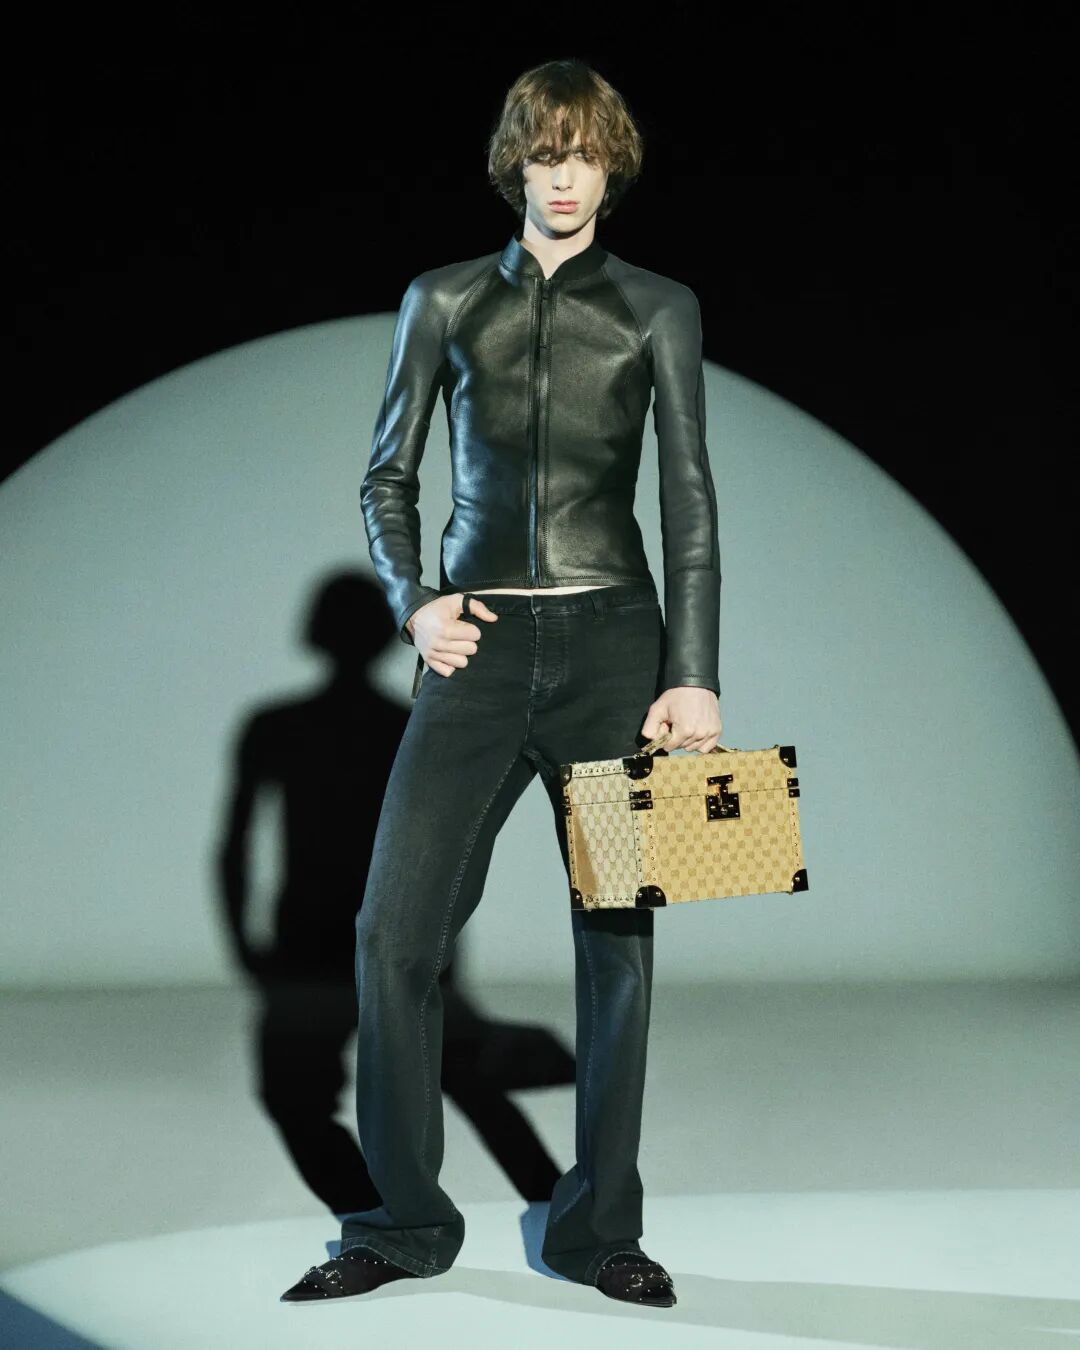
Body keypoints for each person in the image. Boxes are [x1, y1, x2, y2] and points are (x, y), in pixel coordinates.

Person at [281, 56, 722, 1310]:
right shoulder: (442, 299)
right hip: (474, 652)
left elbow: (688, 499)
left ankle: (601, 1231)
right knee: (392, 935)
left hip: (616, 650)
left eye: (584, 155)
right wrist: (412, 601)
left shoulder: (660, 307)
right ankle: (400, 1225)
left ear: (612, 166)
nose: (565, 177)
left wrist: (693, 673)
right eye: (545, 154)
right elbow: (388, 476)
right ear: (514, 164)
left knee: (618, 945)